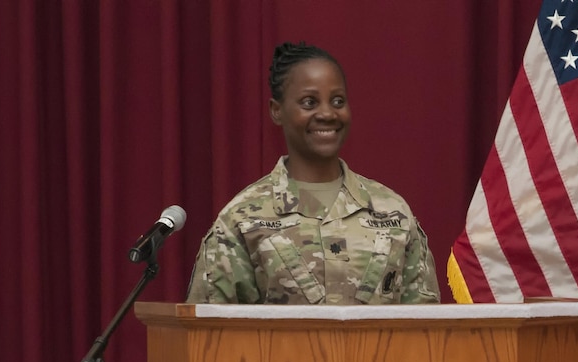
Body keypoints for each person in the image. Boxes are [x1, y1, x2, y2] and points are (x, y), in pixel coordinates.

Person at [186, 41, 440, 304]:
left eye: (338, 101)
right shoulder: (241, 219)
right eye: (309, 102)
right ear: (276, 111)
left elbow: (425, 329)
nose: (328, 113)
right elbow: (210, 336)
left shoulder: (393, 212)